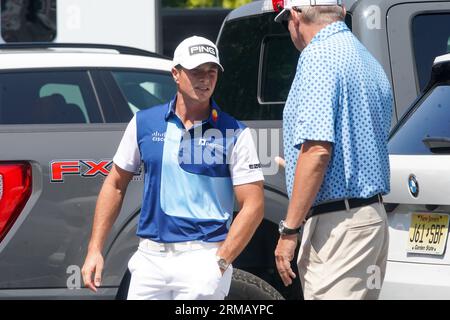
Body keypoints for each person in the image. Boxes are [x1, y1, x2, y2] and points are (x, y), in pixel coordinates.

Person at [81, 36, 265, 300]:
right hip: (149, 258)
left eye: (211, 72)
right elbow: (115, 184)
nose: (205, 79)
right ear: (175, 74)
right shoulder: (143, 122)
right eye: (196, 72)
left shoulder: (235, 131)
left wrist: (220, 263)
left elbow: (254, 205)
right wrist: (95, 249)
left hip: (204, 257)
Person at [273, 0, 393, 299]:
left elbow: (317, 152)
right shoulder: (365, 57)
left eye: (285, 21)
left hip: (340, 226)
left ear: (296, 15)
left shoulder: (318, 56)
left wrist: (289, 231)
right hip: (370, 219)